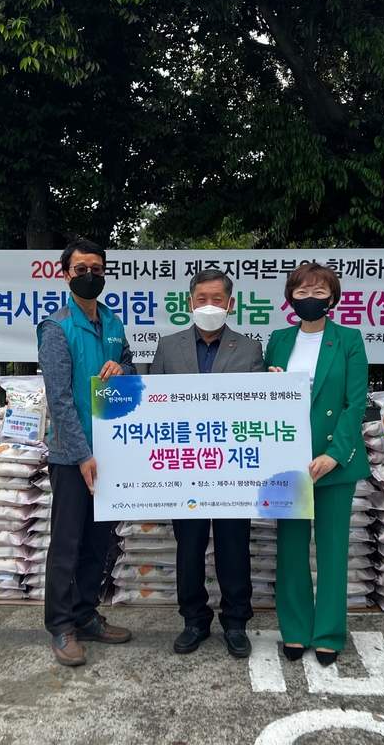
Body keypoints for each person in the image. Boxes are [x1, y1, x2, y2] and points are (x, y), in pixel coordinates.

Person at [150, 269, 265, 659]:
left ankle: (235, 622)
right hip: (185, 465)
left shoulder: (249, 349)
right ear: (190, 303)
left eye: (218, 299)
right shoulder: (169, 347)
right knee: (189, 544)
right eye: (202, 299)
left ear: (231, 304)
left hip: (232, 467)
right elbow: (152, 404)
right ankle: (194, 620)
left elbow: (260, 407)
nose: (209, 305)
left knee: (234, 544)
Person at [265, 262, 371, 666]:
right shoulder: (278, 340)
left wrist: (334, 454)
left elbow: (354, 403)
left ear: (333, 297)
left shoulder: (348, 339)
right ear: (290, 298)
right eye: (302, 292)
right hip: (287, 460)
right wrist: (269, 381)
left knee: (332, 548)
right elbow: (262, 397)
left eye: (319, 292)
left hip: (334, 461)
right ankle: (294, 630)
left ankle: (328, 633)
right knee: (290, 549)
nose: (310, 298)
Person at [37, 239, 136, 667]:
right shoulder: (56, 328)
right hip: (71, 457)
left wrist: (122, 368)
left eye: (96, 268)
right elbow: (59, 399)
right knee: (67, 543)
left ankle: (85, 614)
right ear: (66, 275)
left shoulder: (113, 323)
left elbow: (131, 368)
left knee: (99, 542)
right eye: (81, 269)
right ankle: (61, 625)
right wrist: (81, 455)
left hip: (110, 451)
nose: (89, 275)